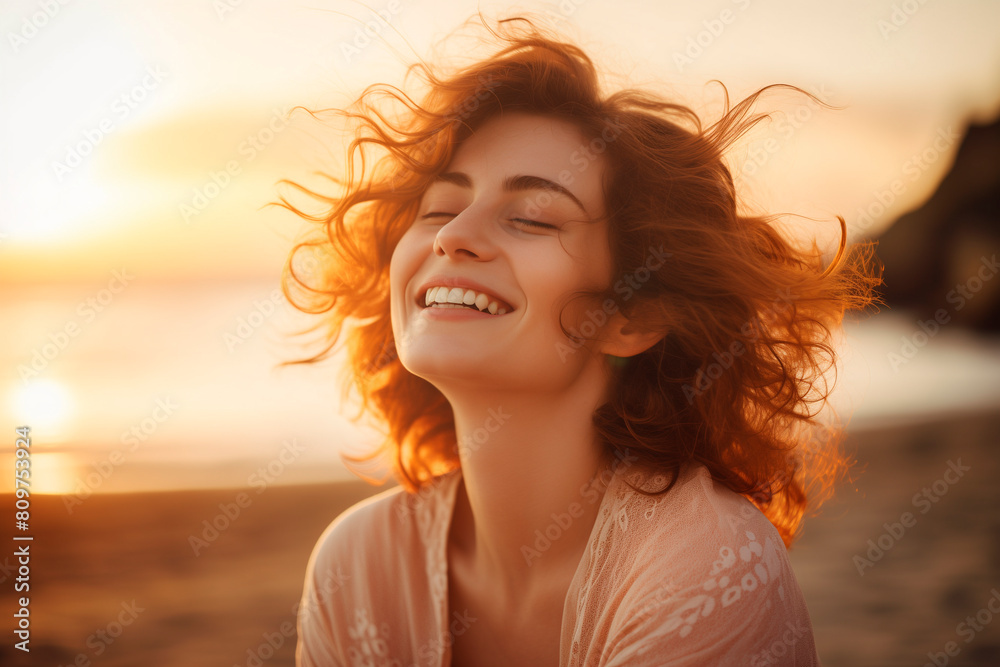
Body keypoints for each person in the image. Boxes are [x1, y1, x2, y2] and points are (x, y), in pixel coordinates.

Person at [284, 14, 879, 666]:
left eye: (532, 217)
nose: (455, 235)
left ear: (635, 316)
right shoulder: (355, 566)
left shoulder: (708, 569)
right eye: (439, 208)